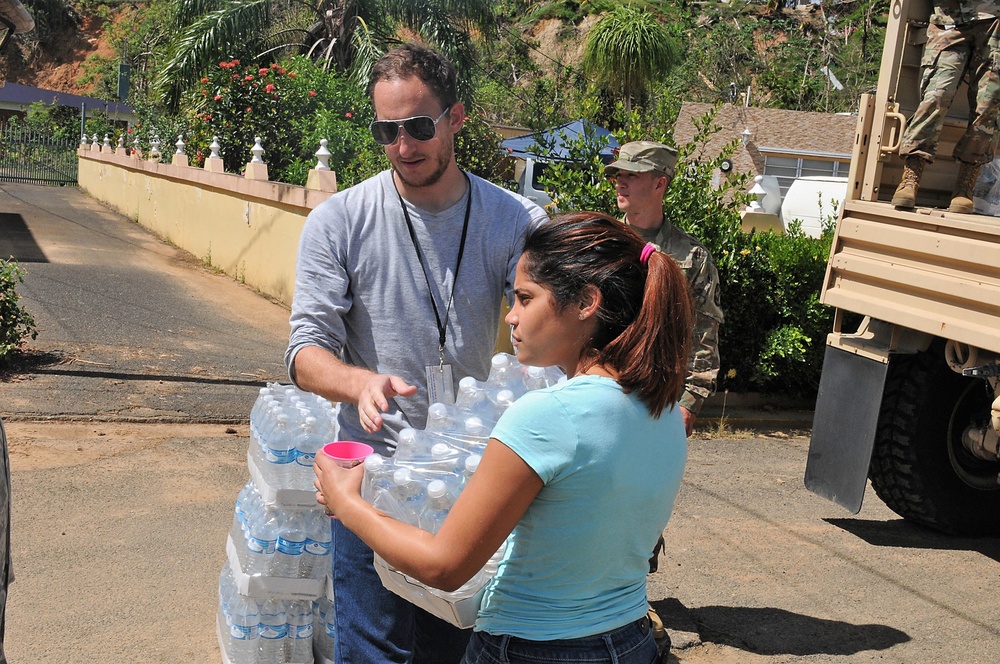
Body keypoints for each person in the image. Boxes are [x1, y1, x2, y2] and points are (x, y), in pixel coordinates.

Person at [314, 211, 693, 664]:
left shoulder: (548, 415)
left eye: (526, 298)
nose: (510, 317)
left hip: (533, 648)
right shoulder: (665, 408)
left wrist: (347, 503)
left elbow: (444, 566)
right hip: (628, 640)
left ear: (587, 302)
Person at [285, 43, 546, 663]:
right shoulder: (339, 221)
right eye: (388, 130)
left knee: (454, 653)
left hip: (467, 487)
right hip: (371, 481)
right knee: (373, 653)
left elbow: (552, 325)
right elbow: (303, 352)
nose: (405, 145)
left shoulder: (514, 220)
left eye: (419, 126)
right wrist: (357, 383)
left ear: (455, 117)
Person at [604, 140, 723, 437]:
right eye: (618, 174)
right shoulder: (601, 244)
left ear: (660, 183)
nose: (620, 182)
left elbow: (704, 332)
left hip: (655, 399)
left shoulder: (690, 256)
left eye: (632, 175)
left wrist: (690, 402)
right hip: (598, 389)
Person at [892, 2, 1000, 213]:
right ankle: (911, 178)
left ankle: (965, 187)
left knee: (989, 105)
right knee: (936, 95)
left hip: (993, 19)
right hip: (949, 20)